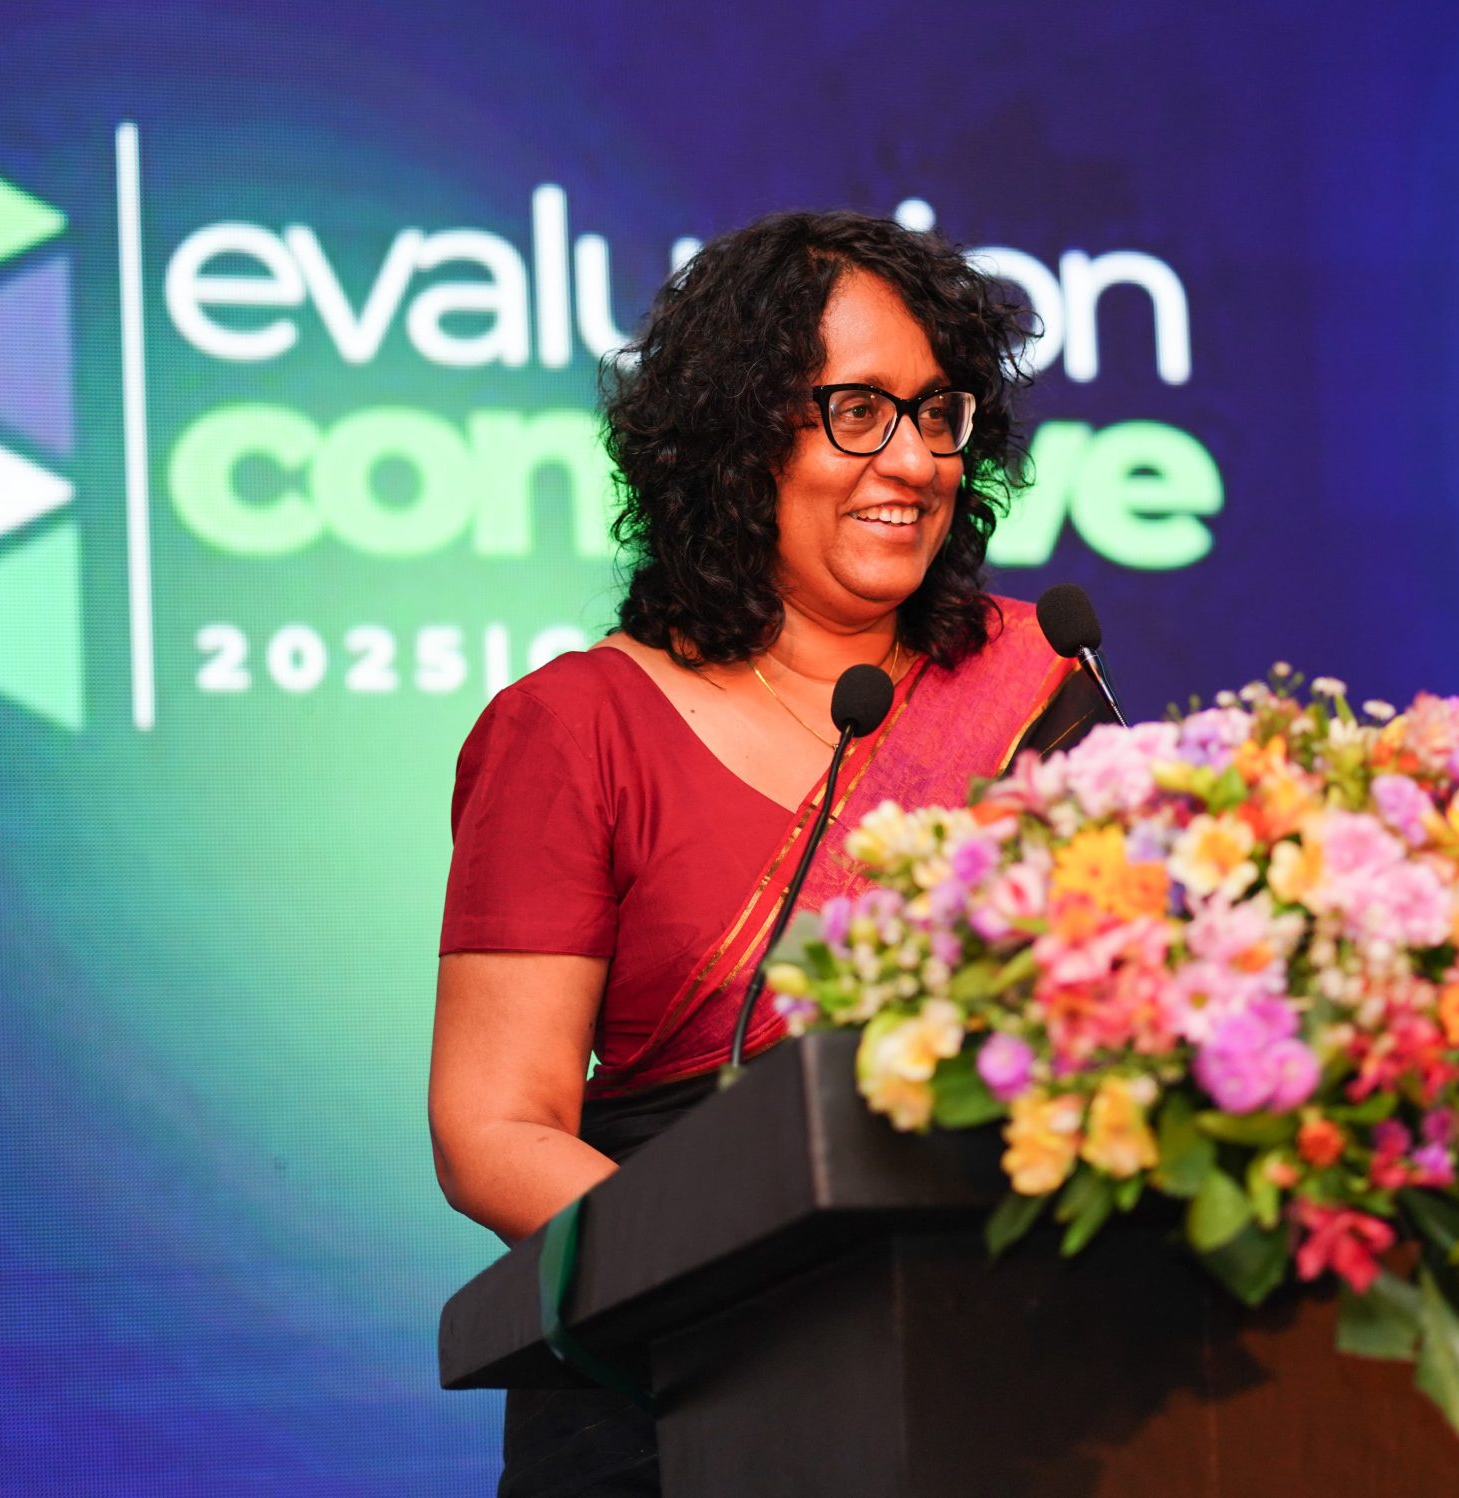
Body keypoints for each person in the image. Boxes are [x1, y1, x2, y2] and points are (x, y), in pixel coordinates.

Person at [428, 209, 1105, 1497]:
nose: (914, 458)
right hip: (680, 1392)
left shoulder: (1034, 682)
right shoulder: (576, 726)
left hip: (1007, 1375)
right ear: (736, 441)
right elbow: (493, 1127)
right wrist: (772, 1291)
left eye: (937, 411)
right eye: (857, 411)